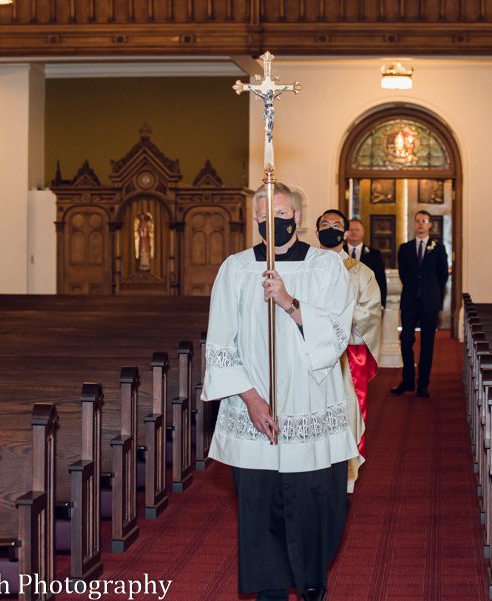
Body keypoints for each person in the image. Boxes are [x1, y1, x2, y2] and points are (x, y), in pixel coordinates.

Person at [201, 183, 358, 601]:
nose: (273, 220)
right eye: (263, 215)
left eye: (281, 212)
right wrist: (250, 399)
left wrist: (288, 300)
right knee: (260, 511)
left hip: (309, 406)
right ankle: (270, 590)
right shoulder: (235, 269)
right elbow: (219, 345)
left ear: (298, 217)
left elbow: (338, 334)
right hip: (254, 412)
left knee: (316, 510)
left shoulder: (325, 268)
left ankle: (311, 585)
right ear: (255, 221)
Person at [316, 209, 381, 492]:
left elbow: (370, 312)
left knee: (347, 411)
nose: (330, 229)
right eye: (324, 225)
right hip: (309, 354)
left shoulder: (361, 272)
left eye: (336, 226)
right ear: (317, 231)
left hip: (346, 354)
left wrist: (331, 325)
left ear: (345, 233)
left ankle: (345, 473)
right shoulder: (304, 268)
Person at [391, 210, 449, 398]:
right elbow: (404, 275)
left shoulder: (438, 248)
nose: (421, 224)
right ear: (414, 224)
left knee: (427, 344)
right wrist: (414, 289)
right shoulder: (405, 248)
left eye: (424, 221)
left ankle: (423, 384)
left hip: (429, 303)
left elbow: (443, 275)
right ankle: (407, 381)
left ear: (430, 225)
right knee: (406, 341)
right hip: (409, 301)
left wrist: (431, 292)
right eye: (418, 221)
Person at [345, 218, 387, 308]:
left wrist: (381, 304)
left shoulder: (375, 254)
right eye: (350, 230)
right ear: (345, 233)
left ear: (363, 232)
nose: (354, 232)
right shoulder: (339, 253)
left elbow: (381, 280)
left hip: (367, 302)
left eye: (357, 230)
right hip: (343, 302)